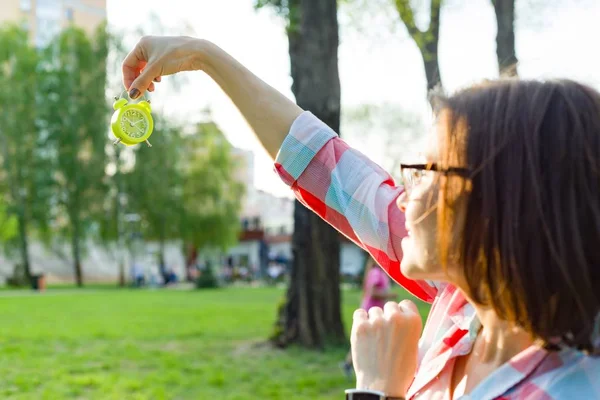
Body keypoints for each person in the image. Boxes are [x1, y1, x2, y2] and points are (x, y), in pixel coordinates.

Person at [121, 36, 600, 399]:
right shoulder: (465, 303)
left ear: (499, 200)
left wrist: (377, 391)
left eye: (427, 169)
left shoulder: (569, 389)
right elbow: (331, 171)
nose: (404, 188)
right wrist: (203, 56)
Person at [341, 257, 397, 378]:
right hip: (371, 311)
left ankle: (351, 364)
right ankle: (356, 365)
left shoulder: (375, 272)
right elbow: (373, 293)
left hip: (374, 310)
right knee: (367, 339)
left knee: (367, 338)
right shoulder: (376, 273)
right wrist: (390, 295)